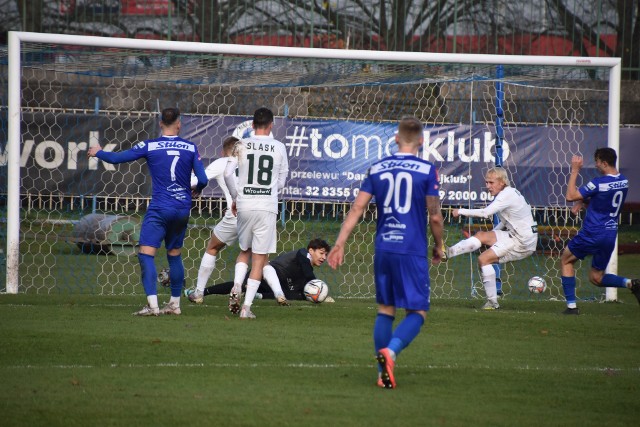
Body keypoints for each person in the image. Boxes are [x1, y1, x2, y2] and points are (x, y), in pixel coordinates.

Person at [327, 116, 445, 390]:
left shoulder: (377, 168)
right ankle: (390, 352)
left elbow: (357, 208)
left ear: (395, 139)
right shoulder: (427, 170)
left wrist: (340, 243)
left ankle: (382, 374)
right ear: (422, 141)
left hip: (384, 247)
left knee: (385, 309)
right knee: (418, 311)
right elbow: (435, 216)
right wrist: (438, 245)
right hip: (412, 248)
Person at [88, 107, 208, 316]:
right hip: (182, 208)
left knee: (146, 255)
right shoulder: (190, 147)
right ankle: (174, 304)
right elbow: (204, 179)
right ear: (179, 124)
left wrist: (97, 151)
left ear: (161, 123)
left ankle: (152, 306)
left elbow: (116, 159)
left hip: (160, 208)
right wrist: (196, 189)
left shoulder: (150, 145)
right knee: (174, 255)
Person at [224, 107, 289, 319]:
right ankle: (246, 307)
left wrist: (235, 197)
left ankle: (236, 286)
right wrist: (268, 189)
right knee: (259, 258)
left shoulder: (240, 145)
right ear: (271, 125)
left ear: (252, 125)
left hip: (244, 204)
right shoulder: (279, 147)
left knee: (245, 250)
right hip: (266, 206)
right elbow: (280, 182)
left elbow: (227, 173)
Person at [445, 167, 538, 310]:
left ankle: (492, 303)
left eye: (491, 182)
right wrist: (491, 236)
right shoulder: (509, 193)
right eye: (486, 182)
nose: (487, 186)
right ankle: (449, 252)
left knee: (483, 259)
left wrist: (460, 211)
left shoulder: (506, 195)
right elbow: (507, 220)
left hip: (523, 242)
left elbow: (485, 212)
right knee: (481, 235)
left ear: (501, 182)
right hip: (519, 235)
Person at [560, 148, 640, 314]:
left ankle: (571, 307)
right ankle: (631, 283)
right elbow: (605, 200)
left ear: (604, 163)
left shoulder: (598, 183)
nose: (595, 165)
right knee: (596, 277)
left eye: (597, 162)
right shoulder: (623, 181)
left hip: (592, 232)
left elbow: (570, 195)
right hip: (610, 235)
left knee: (566, 260)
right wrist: (584, 202)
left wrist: (575, 170)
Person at [186, 238, 332, 302]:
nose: (324, 257)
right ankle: (200, 292)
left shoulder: (304, 277)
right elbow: (308, 272)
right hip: (265, 273)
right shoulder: (302, 253)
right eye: (321, 253)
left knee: (298, 295)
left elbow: (299, 291)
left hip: (272, 288)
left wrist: (316, 296)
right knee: (241, 286)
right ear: (311, 250)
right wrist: (319, 289)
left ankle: (259, 296)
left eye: (326, 254)